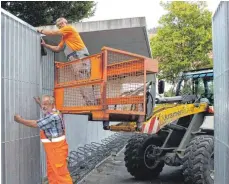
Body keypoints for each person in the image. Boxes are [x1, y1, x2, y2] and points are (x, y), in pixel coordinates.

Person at [14, 95, 73, 184]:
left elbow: (35, 124)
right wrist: (39, 102)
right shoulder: (51, 111)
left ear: (52, 104)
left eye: (46, 104)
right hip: (53, 150)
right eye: (43, 104)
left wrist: (19, 120)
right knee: (52, 173)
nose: (44, 106)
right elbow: (45, 109)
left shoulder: (53, 116)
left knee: (60, 175)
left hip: (57, 150)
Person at [38, 17, 95, 105]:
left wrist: (40, 30)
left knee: (83, 80)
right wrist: (45, 45)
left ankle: (91, 103)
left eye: (62, 23)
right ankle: (90, 103)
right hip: (75, 59)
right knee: (81, 81)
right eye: (59, 25)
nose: (61, 26)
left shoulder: (69, 28)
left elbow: (53, 32)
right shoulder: (65, 38)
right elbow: (57, 48)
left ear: (66, 23)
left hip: (79, 57)